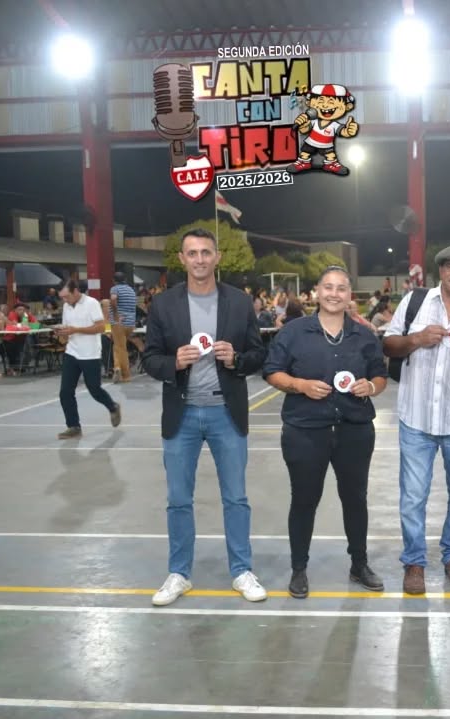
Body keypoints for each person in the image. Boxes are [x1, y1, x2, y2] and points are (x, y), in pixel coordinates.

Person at [142, 228, 269, 607]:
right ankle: (179, 573)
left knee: (236, 498)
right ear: (182, 259)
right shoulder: (163, 304)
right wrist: (174, 363)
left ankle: (241, 571)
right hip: (181, 414)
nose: (199, 259)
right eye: (192, 253)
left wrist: (236, 359)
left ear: (217, 257)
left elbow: (258, 354)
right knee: (179, 499)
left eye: (206, 252)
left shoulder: (239, 302)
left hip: (226, 413)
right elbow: (149, 358)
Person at [263, 266, 388, 599]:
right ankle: (299, 568)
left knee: (355, 499)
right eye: (328, 287)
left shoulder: (364, 335)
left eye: (341, 288)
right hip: (305, 431)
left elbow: (380, 376)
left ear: (349, 295)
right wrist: (299, 385)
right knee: (304, 499)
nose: (334, 294)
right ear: (317, 292)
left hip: (354, 430)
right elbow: (272, 371)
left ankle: (359, 564)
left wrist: (370, 387)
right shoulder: (293, 332)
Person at [382, 244, 450, 594]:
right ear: (441, 271)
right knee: (413, 497)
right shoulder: (415, 302)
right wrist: (415, 339)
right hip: (416, 418)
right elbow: (388, 345)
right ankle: (414, 562)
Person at [54, 281, 122, 439]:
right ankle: (73, 426)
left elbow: (101, 327)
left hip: (90, 354)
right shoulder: (66, 306)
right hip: (72, 352)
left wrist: (76, 330)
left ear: (76, 291)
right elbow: (68, 329)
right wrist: (62, 333)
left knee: (94, 389)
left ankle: (113, 407)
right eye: (62, 297)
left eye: (67, 296)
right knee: (65, 392)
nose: (65, 300)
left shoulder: (91, 303)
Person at [108, 271, 138, 382]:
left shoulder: (115, 289)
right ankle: (117, 367)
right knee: (118, 347)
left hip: (119, 323)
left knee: (121, 348)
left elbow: (113, 299)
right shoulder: (131, 290)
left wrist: (116, 315)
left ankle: (126, 375)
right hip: (130, 323)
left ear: (114, 280)